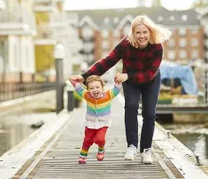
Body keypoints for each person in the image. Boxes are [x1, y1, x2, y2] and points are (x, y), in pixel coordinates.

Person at [71, 15, 171, 164]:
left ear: (150, 32)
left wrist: (127, 76)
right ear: (133, 32)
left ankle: (146, 150)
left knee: (149, 114)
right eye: (138, 32)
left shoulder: (157, 46)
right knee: (130, 107)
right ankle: (132, 145)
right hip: (129, 80)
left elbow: (150, 74)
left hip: (150, 80)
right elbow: (107, 62)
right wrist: (84, 76)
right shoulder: (126, 44)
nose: (141, 36)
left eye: (145, 32)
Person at [69, 75, 121, 164]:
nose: (95, 90)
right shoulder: (87, 95)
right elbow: (79, 90)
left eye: (97, 87)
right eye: (91, 88)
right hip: (90, 122)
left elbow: (116, 90)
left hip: (103, 123)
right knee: (87, 140)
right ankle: (83, 155)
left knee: (99, 139)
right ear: (88, 89)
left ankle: (101, 149)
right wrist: (74, 82)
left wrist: (117, 82)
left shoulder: (108, 95)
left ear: (102, 87)